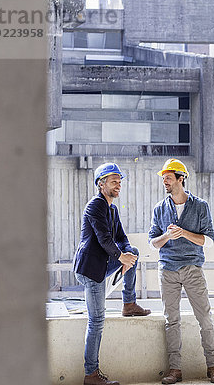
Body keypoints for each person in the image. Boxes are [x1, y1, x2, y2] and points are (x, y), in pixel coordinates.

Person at [74, 162, 151, 385]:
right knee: (96, 320)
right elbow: (104, 240)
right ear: (101, 184)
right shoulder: (95, 206)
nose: (119, 185)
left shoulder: (112, 209)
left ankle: (129, 304)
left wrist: (126, 254)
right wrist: (120, 258)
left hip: (103, 262)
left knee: (133, 251)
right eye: (114, 181)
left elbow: (122, 238)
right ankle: (91, 374)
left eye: (120, 181)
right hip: (90, 269)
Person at [149, 159, 214, 384]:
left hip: (192, 268)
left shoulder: (200, 206)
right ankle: (175, 370)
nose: (165, 182)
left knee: (205, 319)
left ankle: (213, 366)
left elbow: (209, 240)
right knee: (171, 321)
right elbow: (153, 242)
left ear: (181, 179)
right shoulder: (159, 208)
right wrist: (167, 237)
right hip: (167, 271)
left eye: (169, 178)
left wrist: (184, 233)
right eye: (163, 179)